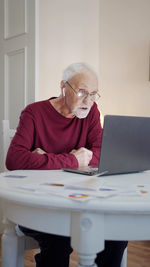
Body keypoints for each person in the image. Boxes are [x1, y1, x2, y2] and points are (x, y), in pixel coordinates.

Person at [6, 62, 127, 267]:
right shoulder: (34, 113)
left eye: (93, 94)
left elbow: (101, 153)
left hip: (79, 203)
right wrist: (73, 159)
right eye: (82, 92)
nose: (88, 102)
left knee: (116, 237)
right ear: (63, 86)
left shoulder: (91, 112)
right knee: (58, 241)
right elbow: (14, 159)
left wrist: (48, 158)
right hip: (39, 204)